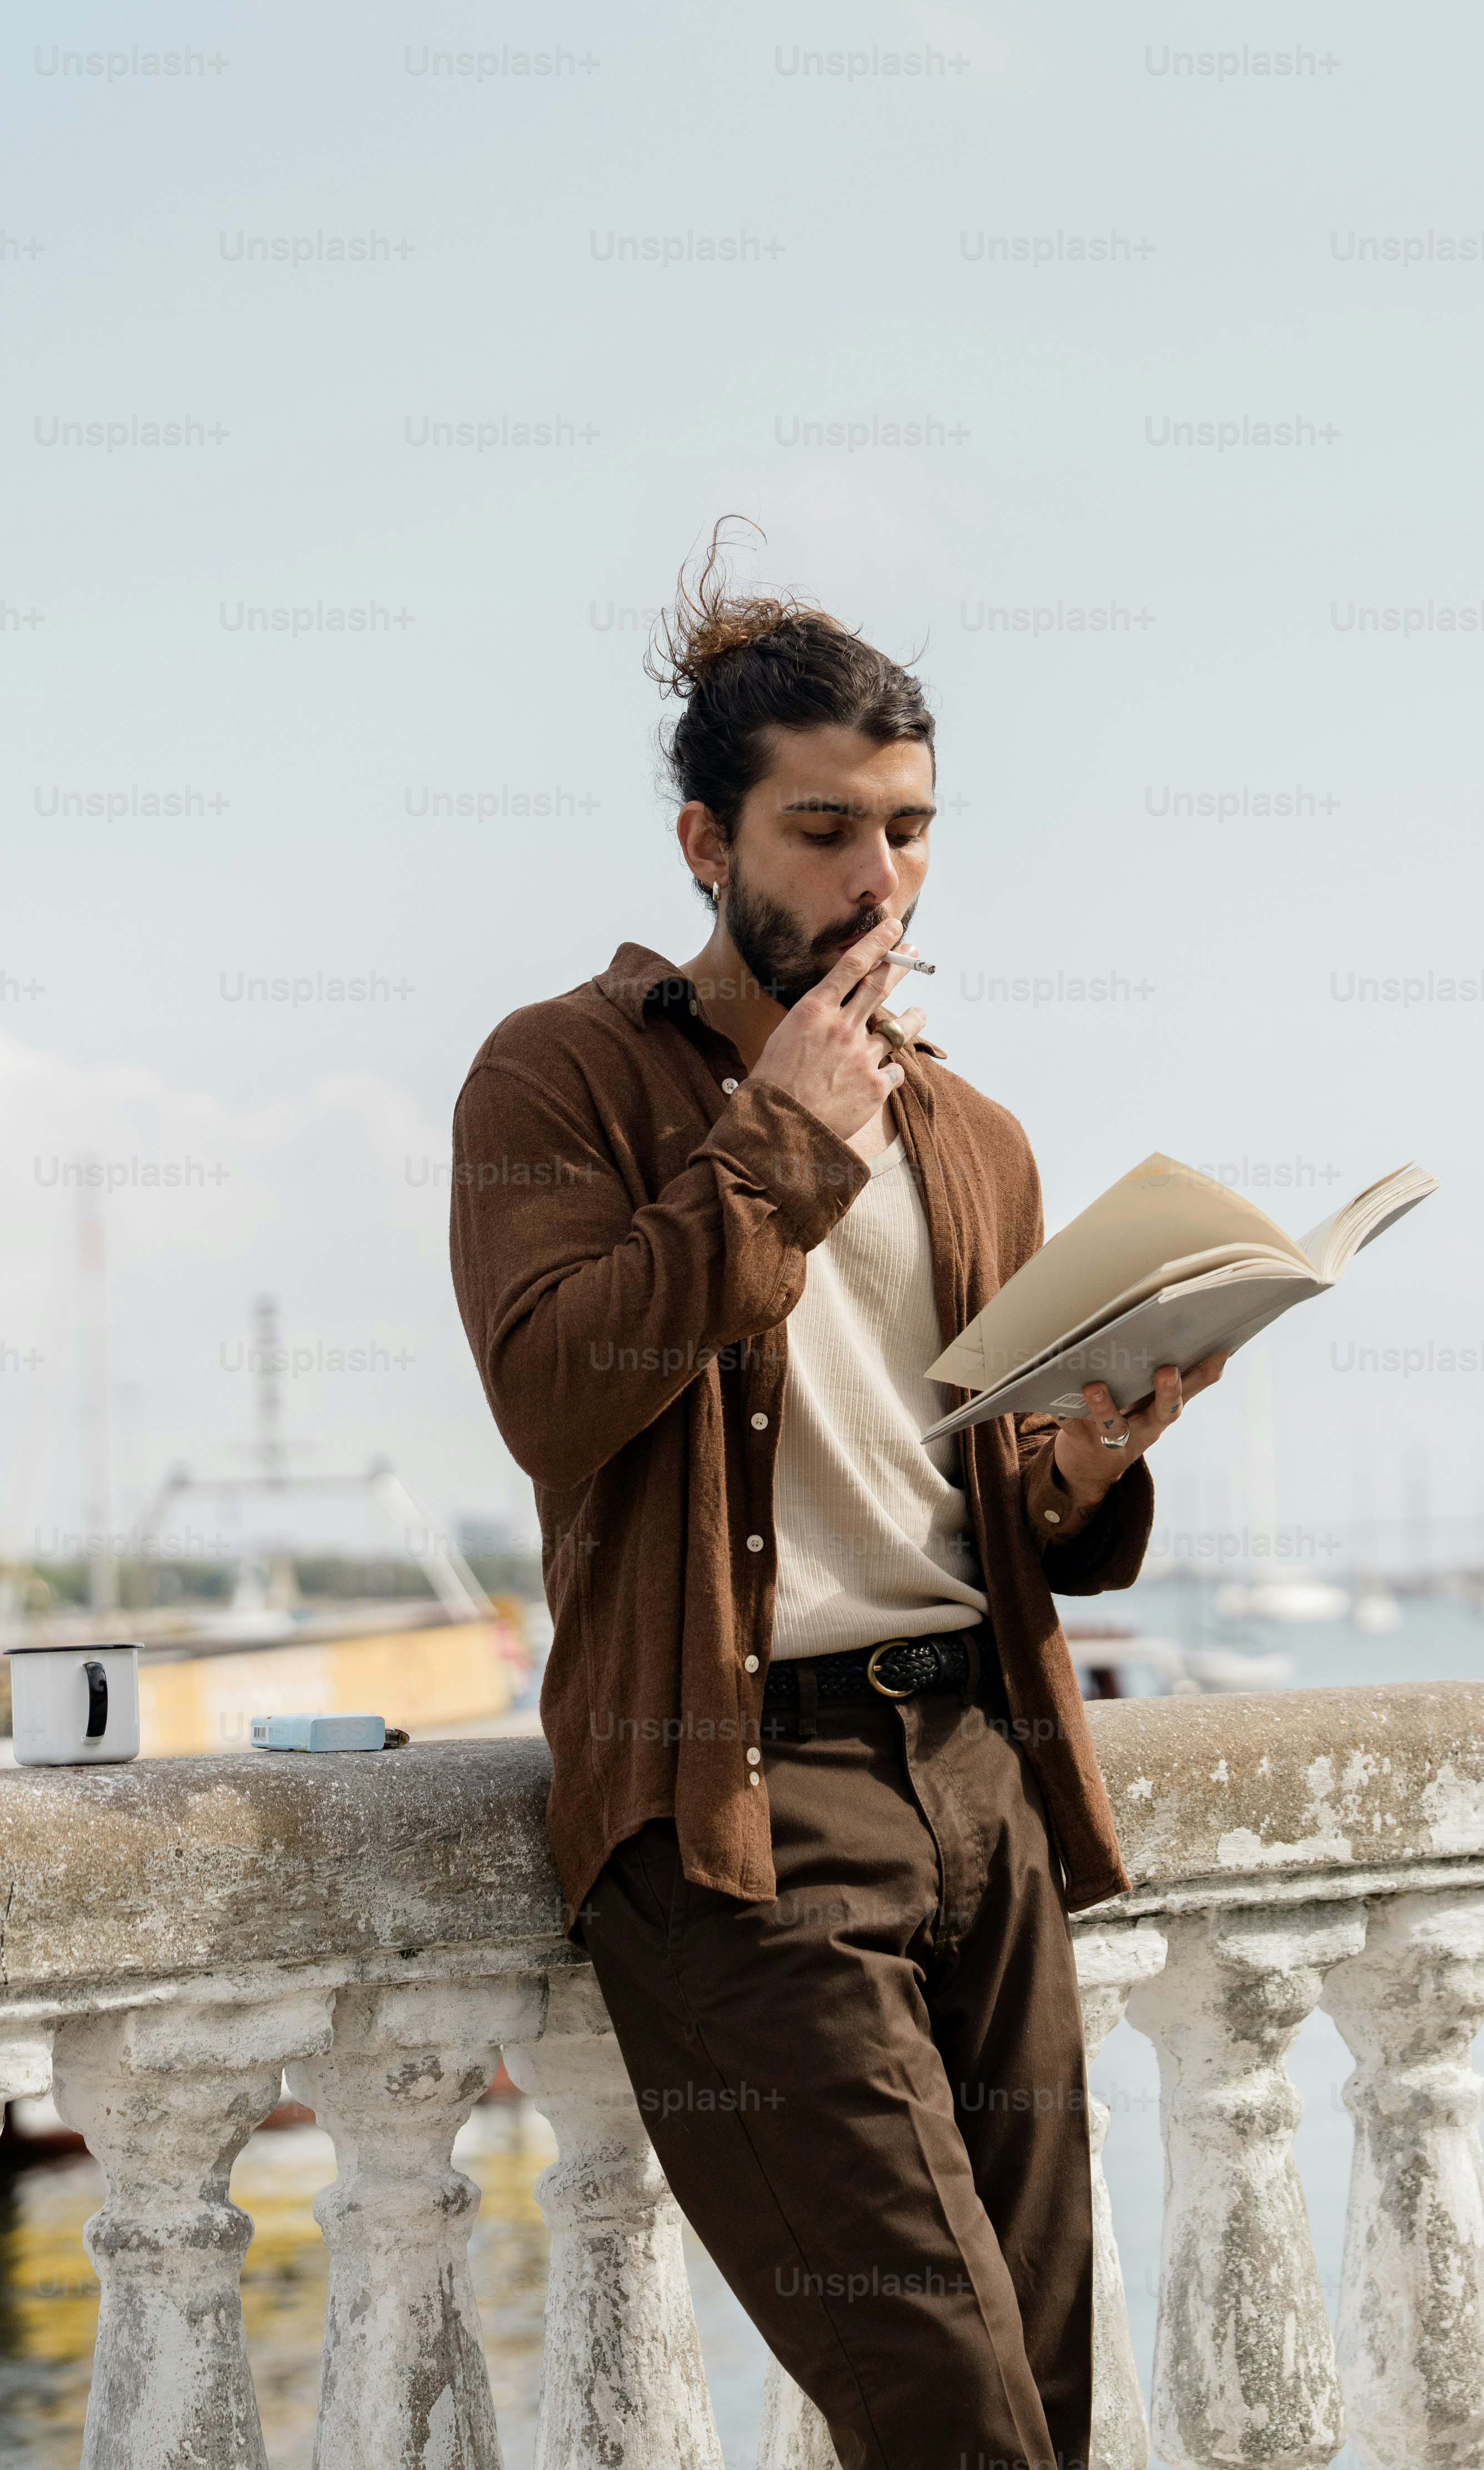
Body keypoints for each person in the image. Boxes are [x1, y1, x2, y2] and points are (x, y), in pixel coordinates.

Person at [449, 536, 1223, 2470]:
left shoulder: (972, 1131)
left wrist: (1100, 1447)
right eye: (824, 831)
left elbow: (975, 1490)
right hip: (736, 1809)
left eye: (911, 830)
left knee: (1047, 2404)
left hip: (983, 1779)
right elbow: (555, 1395)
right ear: (705, 844)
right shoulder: (559, 1077)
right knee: (951, 2414)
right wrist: (781, 1139)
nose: (880, 879)